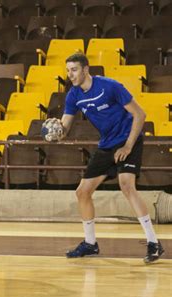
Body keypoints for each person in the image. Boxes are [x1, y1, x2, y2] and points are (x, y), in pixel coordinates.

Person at [59, 53, 164, 263]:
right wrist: (55, 133)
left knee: (126, 186)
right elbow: (65, 127)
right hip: (106, 145)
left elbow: (140, 115)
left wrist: (127, 146)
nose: (70, 74)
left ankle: (154, 243)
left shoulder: (110, 86)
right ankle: (90, 244)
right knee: (82, 192)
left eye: (74, 69)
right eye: (68, 70)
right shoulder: (73, 95)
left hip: (128, 139)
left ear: (86, 69)